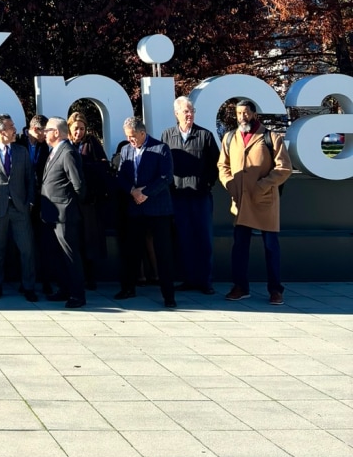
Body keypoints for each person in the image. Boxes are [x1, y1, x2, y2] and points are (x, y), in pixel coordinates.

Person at [218, 99, 293, 304]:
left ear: (254, 114)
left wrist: (264, 184)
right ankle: (240, 287)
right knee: (240, 247)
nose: (242, 117)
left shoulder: (271, 137)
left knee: (271, 248)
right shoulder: (230, 137)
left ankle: (275, 290)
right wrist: (229, 184)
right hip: (240, 201)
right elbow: (222, 165)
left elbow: (284, 168)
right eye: (238, 113)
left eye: (246, 113)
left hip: (264, 199)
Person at [115, 117, 177, 308]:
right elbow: (121, 176)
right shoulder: (125, 150)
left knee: (163, 253)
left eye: (133, 137)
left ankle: (168, 295)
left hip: (158, 209)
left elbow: (166, 177)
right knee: (132, 250)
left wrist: (146, 193)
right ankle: (128, 288)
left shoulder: (161, 148)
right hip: (135, 207)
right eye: (128, 137)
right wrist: (132, 191)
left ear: (143, 133)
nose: (131, 140)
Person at [161, 97, 220, 296]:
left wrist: (207, 183)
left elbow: (216, 165)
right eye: (185, 111)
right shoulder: (167, 135)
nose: (189, 114)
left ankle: (205, 281)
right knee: (184, 239)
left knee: (204, 240)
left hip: (200, 196)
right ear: (176, 113)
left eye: (192, 111)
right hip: (177, 196)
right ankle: (188, 279)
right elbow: (164, 164)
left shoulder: (205, 135)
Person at [0, 114, 37, 301]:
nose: (15, 129)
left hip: (20, 209)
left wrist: (30, 202)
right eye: (11, 126)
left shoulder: (22, 151)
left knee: (27, 250)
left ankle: (28, 287)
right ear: (1, 131)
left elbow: (30, 180)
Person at [41, 117, 87, 308]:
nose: (44, 133)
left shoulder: (67, 152)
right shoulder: (54, 151)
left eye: (47, 130)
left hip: (64, 214)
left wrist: (70, 205)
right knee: (58, 255)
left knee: (70, 255)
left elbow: (79, 185)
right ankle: (64, 289)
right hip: (52, 215)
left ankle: (77, 295)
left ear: (57, 132)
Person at [67, 112, 110, 290]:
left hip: (88, 201)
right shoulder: (65, 144)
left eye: (82, 129)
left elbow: (103, 166)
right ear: (69, 128)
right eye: (76, 128)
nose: (79, 132)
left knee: (89, 239)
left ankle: (90, 277)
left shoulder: (91, 143)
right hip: (70, 200)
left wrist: (83, 167)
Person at [18, 114, 52, 295]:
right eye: (44, 132)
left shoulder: (46, 146)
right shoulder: (17, 142)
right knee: (24, 243)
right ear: (36, 129)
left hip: (41, 199)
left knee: (43, 242)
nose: (46, 135)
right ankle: (24, 281)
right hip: (20, 200)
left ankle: (45, 280)